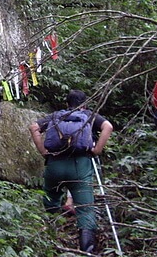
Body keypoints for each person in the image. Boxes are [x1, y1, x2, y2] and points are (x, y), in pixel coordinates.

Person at [29, 90, 114, 254]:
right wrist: (96, 150)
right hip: (80, 166)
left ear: (67, 103)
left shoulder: (55, 116)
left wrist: (43, 151)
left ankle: (51, 241)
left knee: (51, 200)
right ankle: (87, 251)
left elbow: (34, 127)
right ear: (85, 104)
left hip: (54, 164)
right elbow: (108, 127)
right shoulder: (89, 115)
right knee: (85, 209)